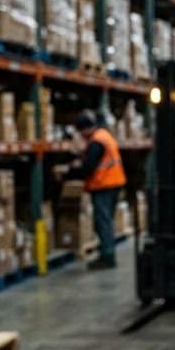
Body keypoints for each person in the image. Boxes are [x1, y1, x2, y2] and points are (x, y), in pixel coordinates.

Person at [66, 110, 126, 270]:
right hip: (113, 183)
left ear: (86, 128)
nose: (81, 135)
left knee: (103, 222)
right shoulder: (102, 136)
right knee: (106, 221)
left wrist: (68, 173)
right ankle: (107, 252)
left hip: (105, 185)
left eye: (81, 131)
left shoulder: (97, 142)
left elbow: (89, 168)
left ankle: (107, 256)